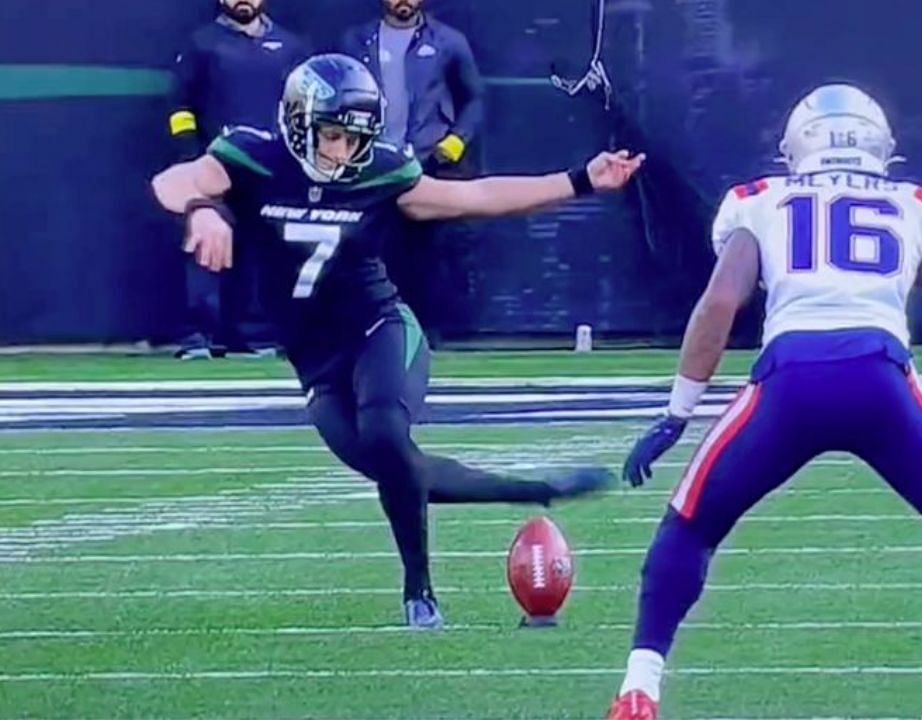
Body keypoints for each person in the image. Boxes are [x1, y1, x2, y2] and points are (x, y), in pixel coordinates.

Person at [606, 85, 922, 720]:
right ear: (880, 144)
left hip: (788, 381)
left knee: (690, 525)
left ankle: (639, 690)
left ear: (796, 145)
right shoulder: (915, 205)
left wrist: (677, 413)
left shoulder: (761, 201)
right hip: (881, 381)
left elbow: (719, 303)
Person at [152, 54, 644, 629]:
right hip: (314, 359)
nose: (344, 152)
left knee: (386, 429)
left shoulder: (381, 170)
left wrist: (582, 179)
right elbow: (171, 181)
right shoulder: (253, 156)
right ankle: (536, 487)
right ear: (297, 123)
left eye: (356, 139)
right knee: (392, 466)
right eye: (333, 136)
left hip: (378, 326)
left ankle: (420, 591)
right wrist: (201, 211)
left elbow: (477, 198)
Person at [169, 0, 309, 359]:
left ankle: (256, 335)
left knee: (264, 253)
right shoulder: (201, 43)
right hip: (215, 166)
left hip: (271, 169)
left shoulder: (293, 48)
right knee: (206, 247)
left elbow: (304, 109)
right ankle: (199, 336)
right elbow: (181, 109)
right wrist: (192, 159)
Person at [340, 0, 486, 345]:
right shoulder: (356, 40)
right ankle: (372, 328)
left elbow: (474, 99)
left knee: (426, 254)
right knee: (367, 250)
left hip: (425, 164)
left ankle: (424, 330)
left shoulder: (448, 41)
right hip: (370, 165)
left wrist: (452, 145)